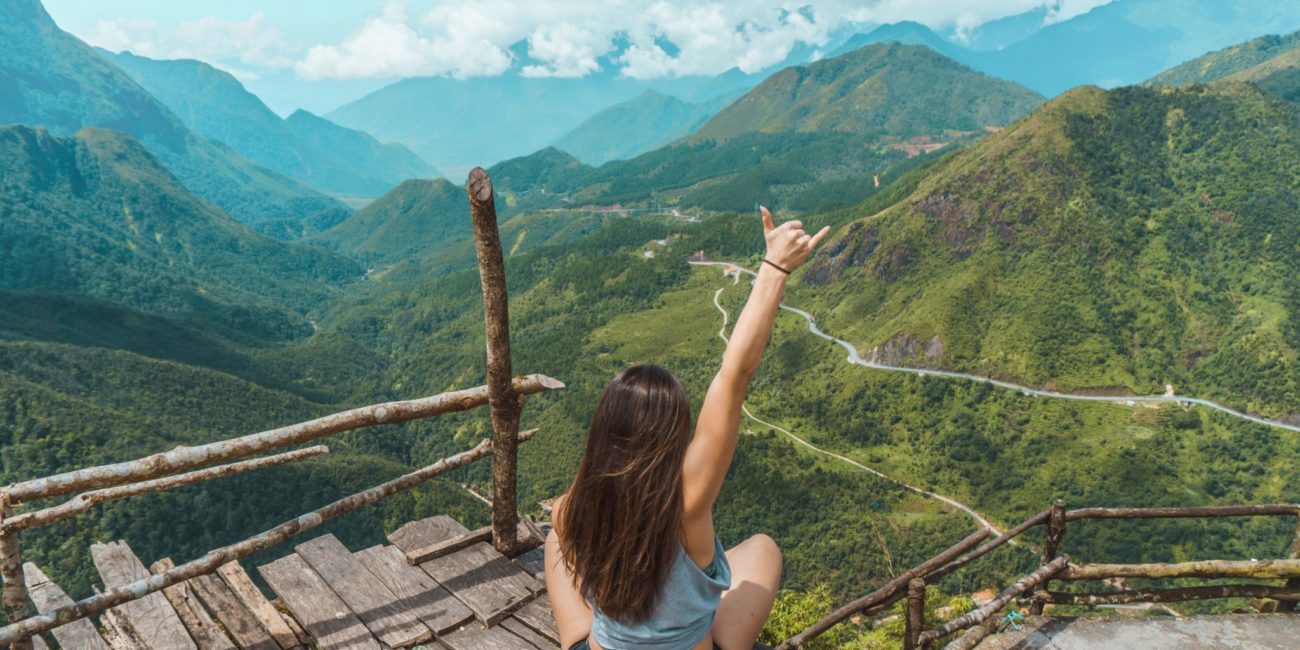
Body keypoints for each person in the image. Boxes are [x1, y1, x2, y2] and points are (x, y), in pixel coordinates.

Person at [546, 207, 831, 650]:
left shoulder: (570, 512)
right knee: (762, 549)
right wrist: (774, 268)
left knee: (553, 545)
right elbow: (734, 374)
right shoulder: (687, 504)